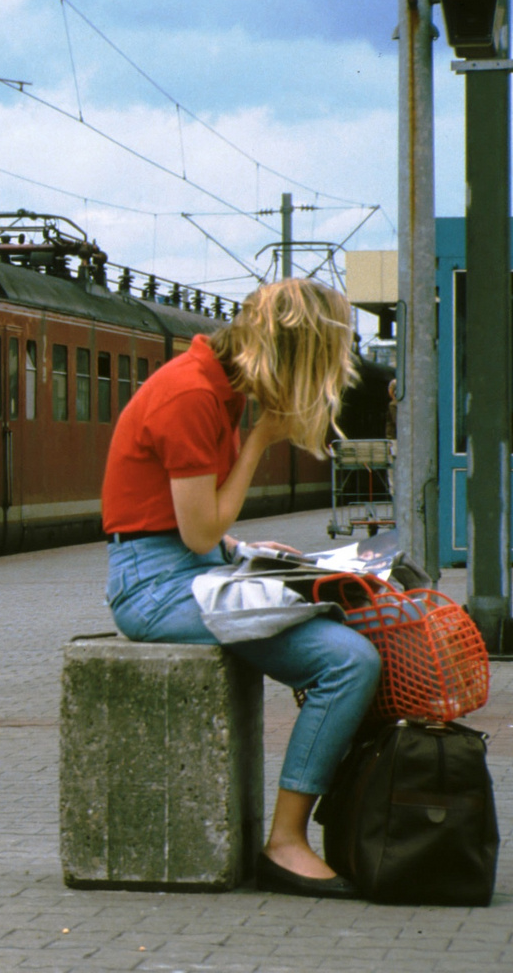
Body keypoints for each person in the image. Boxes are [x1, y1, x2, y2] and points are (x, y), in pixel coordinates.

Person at [101, 278, 379, 900]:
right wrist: (259, 441)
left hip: (180, 568)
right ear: (284, 357)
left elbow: (187, 528)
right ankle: (285, 843)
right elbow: (196, 531)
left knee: (348, 614)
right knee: (347, 661)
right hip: (154, 590)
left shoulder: (213, 388)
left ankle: (322, 816)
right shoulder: (191, 395)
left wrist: (245, 553)